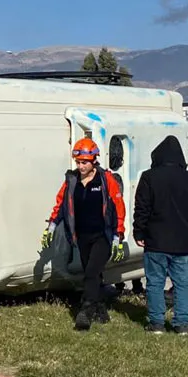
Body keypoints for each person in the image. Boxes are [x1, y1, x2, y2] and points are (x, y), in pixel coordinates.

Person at [44, 137, 128, 330]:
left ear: (94, 161)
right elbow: (61, 204)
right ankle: (100, 310)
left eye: (85, 162)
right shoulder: (71, 180)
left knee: (90, 272)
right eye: (78, 162)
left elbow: (118, 207)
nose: (81, 166)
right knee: (94, 274)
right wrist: (52, 226)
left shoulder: (105, 180)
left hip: (102, 236)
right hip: (81, 236)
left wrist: (118, 235)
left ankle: (85, 312)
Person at [133, 136, 188, 335]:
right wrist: (187, 224)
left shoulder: (149, 177)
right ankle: (181, 324)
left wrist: (139, 231)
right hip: (182, 240)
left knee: (155, 282)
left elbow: (142, 208)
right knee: (182, 284)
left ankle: (156, 323)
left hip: (155, 239)